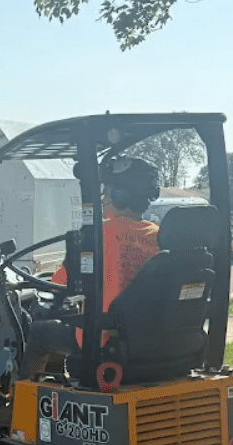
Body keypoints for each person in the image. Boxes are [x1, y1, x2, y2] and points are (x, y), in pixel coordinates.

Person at [25, 156, 161, 378]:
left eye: (107, 191)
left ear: (120, 195)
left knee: (38, 332)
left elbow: (58, 285)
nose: (103, 197)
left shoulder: (98, 235)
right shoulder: (158, 235)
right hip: (147, 339)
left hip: (105, 339)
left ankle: (20, 398)